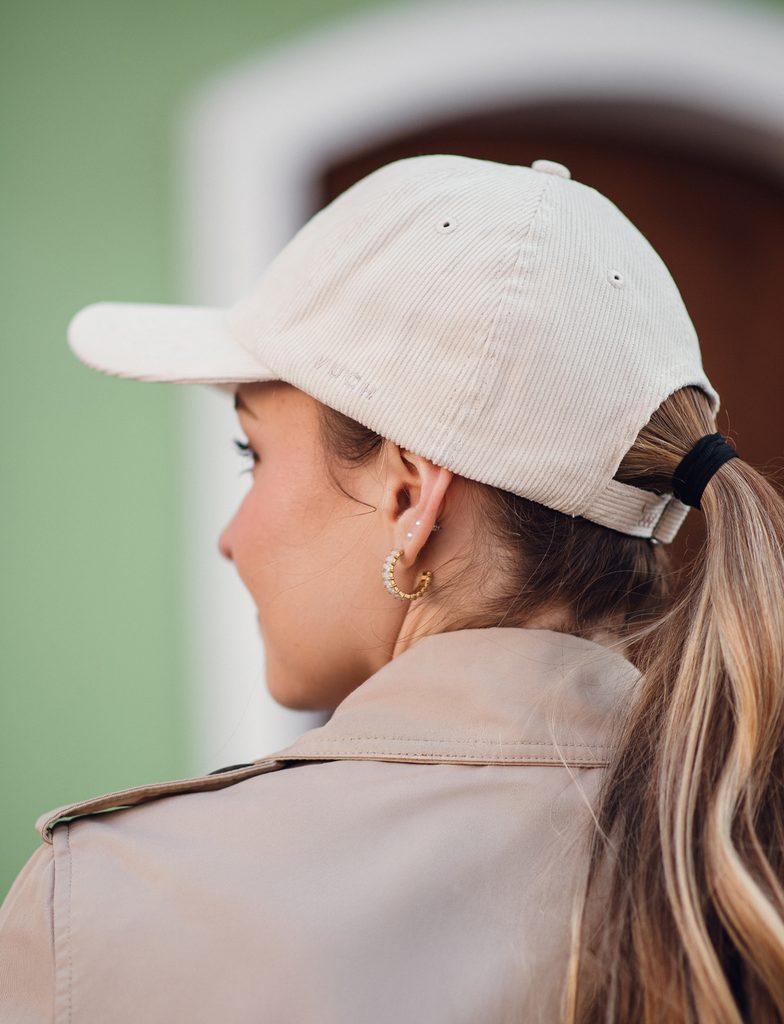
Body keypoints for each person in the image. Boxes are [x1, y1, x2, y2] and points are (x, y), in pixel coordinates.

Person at [1, 153, 782, 1024]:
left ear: (409, 498)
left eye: (251, 454)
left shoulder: (113, 906)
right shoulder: (754, 864)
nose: (230, 537)